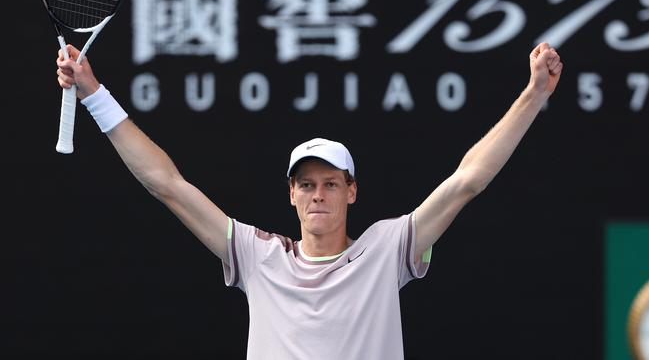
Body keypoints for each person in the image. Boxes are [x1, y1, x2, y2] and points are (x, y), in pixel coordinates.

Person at [56, 42, 563, 360]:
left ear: (352, 191)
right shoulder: (258, 255)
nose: (318, 193)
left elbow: (467, 180)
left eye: (330, 183)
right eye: (306, 184)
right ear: (292, 194)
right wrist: (94, 92)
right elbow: (165, 182)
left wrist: (534, 95)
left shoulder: (388, 248)